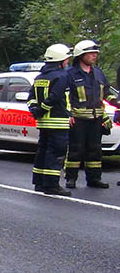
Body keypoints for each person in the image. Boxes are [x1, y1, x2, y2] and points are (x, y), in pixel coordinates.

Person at [27, 43, 72, 196]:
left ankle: (39, 182)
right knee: (56, 153)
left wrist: (35, 111)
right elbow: (55, 97)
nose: (67, 62)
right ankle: (52, 185)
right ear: (61, 61)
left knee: (43, 151)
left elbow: (31, 98)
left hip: (43, 123)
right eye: (66, 59)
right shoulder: (62, 76)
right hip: (58, 122)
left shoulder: (40, 77)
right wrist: (41, 110)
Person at [64, 40, 110, 189]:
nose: (94, 56)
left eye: (95, 53)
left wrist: (117, 102)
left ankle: (94, 178)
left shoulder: (98, 73)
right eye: (91, 53)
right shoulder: (70, 74)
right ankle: (71, 178)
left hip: (96, 119)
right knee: (76, 149)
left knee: (95, 150)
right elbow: (65, 96)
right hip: (78, 119)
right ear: (81, 55)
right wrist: (68, 113)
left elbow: (107, 93)